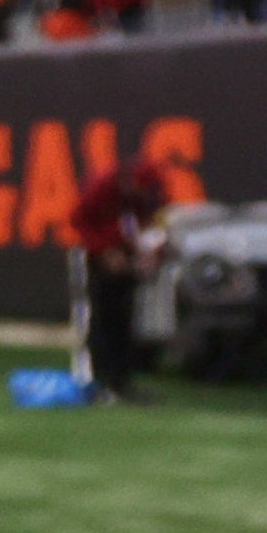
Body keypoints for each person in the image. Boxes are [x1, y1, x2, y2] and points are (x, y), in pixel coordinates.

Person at [63, 137, 163, 404]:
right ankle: (99, 379)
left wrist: (150, 251)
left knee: (125, 318)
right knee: (100, 318)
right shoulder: (103, 185)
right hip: (98, 255)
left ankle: (122, 380)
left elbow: (154, 221)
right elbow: (78, 220)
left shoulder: (151, 188)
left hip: (127, 252)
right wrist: (105, 251)